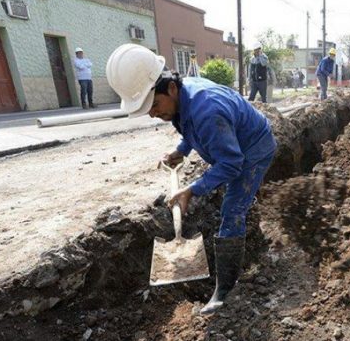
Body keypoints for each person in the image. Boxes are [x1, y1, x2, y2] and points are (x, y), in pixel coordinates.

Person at [106, 44, 277, 315]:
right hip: (233, 147)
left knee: (232, 210)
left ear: (170, 88)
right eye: (147, 110)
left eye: (154, 105)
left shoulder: (206, 109)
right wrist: (181, 150)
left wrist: (192, 190)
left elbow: (233, 163)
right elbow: (189, 127)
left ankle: (224, 292)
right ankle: (246, 210)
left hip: (252, 150)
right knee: (231, 195)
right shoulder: (182, 95)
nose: (153, 114)